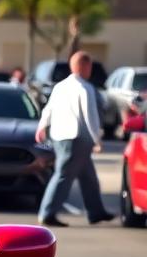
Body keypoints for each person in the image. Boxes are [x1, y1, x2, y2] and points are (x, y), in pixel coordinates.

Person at [35, 50, 114, 228]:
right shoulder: (85, 88)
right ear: (85, 66)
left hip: (59, 137)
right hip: (76, 139)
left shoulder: (60, 86)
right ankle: (47, 214)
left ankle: (96, 212)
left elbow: (48, 109)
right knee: (63, 176)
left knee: (88, 177)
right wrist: (98, 140)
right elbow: (91, 116)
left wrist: (41, 126)